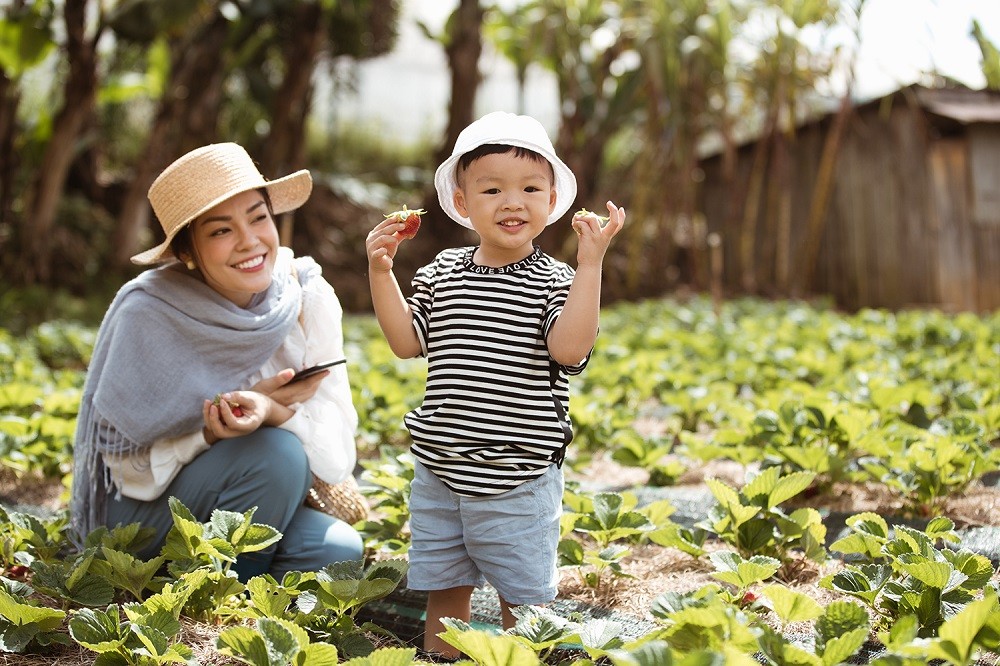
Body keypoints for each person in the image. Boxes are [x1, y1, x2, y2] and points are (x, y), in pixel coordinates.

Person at [365, 111, 626, 657]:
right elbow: (406, 342)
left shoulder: (555, 280)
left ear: (551, 201)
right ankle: (443, 657)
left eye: (531, 188)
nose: (513, 201)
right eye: (492, 189)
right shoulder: (441, 271)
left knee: (522, 600)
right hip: (440, 471)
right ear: (461, 202)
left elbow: (571, 350)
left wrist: (591, 266)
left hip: (518, 474)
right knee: (444, 591)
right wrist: (381, 273)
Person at [70, 142, 364, 581]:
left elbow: (337, 459)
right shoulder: (148, 312)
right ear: (187, 252)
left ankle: (200, 576)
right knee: (278, 456)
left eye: (258, 217)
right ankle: (217, 599)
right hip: (146, 506)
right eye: (221, 231)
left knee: (338, 551)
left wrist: (272, 411)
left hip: (256, 493)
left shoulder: (304, 297)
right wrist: (207, 433)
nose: (250, 242)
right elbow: (126, 468)